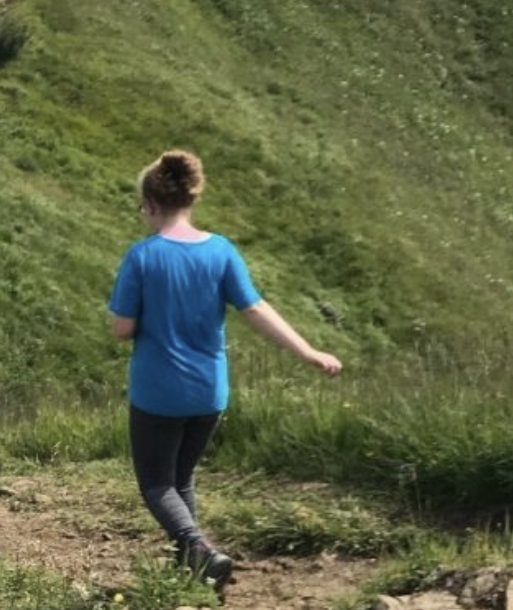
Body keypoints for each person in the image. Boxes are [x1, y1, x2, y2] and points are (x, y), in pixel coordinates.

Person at [109, 150, 342, 585]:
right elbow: (254, 309)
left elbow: (122, 329)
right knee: (183, 479)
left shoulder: (143, 257)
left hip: (159, 392)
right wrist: (308, 351)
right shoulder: (221, 251)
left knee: (157, 485)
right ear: (190, 200)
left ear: (153, 204)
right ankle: (194, 573)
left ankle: (200, 551)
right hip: (208, 392)